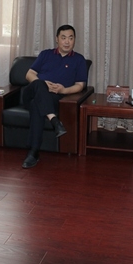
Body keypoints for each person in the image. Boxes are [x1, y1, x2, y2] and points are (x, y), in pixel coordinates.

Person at [22, 24, 88, 169]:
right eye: (63, 38)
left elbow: (80, 85)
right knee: (39, 84)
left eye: (70, 38)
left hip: (54, 98)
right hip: (31, 92)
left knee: (36, 105)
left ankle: (33, 152)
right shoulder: (46, 54)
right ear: (57, 39)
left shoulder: (79, 60)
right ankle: (54, 120)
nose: (67, 41)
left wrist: (64, 90)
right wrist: (42, 84)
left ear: (74, 40)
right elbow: (29, 74)